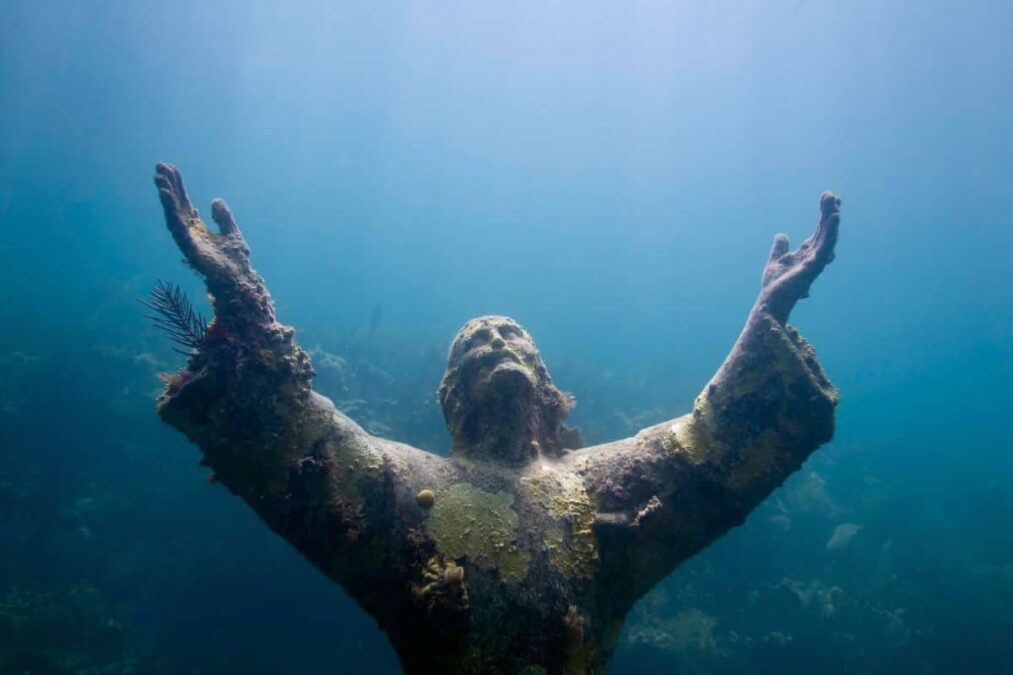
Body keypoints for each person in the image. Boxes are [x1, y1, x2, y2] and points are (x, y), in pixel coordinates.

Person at [152, 163, 841, 674]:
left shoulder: (602, 490)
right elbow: (298, 442)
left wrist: (763, 320)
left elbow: (709, 449)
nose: (494, 344)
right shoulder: (401, 490)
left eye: (512, 337)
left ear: (547, 387)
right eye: (473, 345)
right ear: (450, 397)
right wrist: (241, 297)